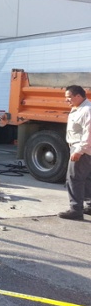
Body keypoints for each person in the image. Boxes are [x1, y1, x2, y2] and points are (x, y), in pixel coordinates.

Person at [58, 85, 91, 220]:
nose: (67, 100)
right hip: (83, 148)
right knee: (87, 178)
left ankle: (75, 210)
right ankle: (89, 206)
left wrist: (79, 151)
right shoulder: (78, 108)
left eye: (69, 97)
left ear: (78, 96)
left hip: (82, 149)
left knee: (74, 178)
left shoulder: (87, 110)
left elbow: (88, 133)